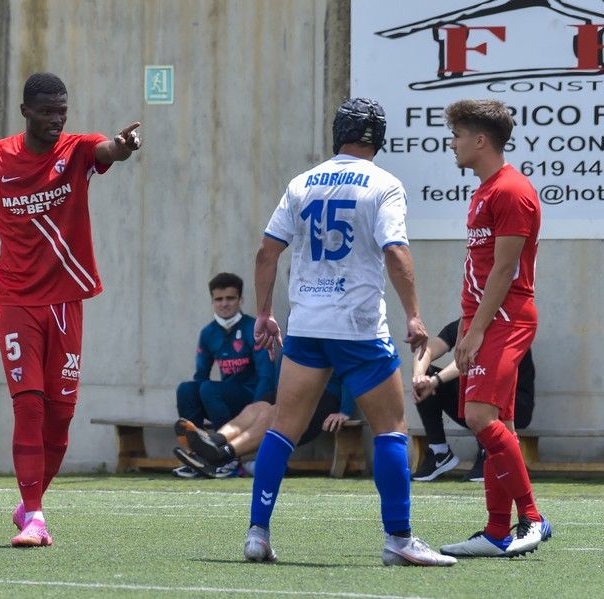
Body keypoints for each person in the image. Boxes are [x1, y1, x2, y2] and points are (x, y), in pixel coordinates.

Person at [241, 97, 456, 567]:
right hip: (358, 326)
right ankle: (398, 539)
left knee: (283, 428)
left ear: (337, 133)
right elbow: (396, 251)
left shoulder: (302, 183)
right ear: (378, 138)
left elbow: (265, 253)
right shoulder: (384, 184)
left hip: (307, 325)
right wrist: (414, 315)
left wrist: (263, 313)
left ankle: (257, 533)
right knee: (391, 430)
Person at [0, 72, 142, 548]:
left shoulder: (77, 150)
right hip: (15, 300)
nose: (58, 119)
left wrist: (123, 146)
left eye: (63, 110)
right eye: (48, 111)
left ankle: (28, 502)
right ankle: (35, 515)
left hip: (66, 300)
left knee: (61, 415)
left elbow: (106, 152)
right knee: (29, 404)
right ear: (26, 113)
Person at [438, 99, 551, 559]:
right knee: (497, 422)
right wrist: (468, 325)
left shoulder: (511, 191)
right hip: (487, 318)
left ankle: (534, 519)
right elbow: (480, 270)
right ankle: (497, 531)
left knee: (480, 418)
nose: (453, 143)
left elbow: (504, 272)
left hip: (505, 317)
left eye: (459, 135)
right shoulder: (484, 191)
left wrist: (477, 330)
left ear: (481, 140)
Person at [172, 273, 275, 477]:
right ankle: (198, 457)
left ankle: (227, 459)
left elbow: (267, 377)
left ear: (240, 300)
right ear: (212, 301)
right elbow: (200, 375)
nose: (224, 304)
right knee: (187, 389)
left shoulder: (253, 328)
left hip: (251, 399)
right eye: (219, 299)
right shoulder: (208, 333)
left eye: (230, 298)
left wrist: (256, 411)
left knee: (209, 389)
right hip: (222, 398)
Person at [411, 317, 535, 482]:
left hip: (515, 408)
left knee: (470, 374)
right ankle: (439, 452)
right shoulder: (463, 323)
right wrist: (419, 377)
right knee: (425, 378)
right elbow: (427, 350)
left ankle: (488, 451)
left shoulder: (506, 326)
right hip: (475, 406)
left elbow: (468, 362)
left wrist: (435, 381)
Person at [173, 374, 352, 478]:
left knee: (272, 412)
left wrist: (345, 410)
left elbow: (349, 371)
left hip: (324, 397)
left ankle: (223, 455)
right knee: (256, 408)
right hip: (291, 391)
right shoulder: (299, 330)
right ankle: (213, 442)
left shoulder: (334, 329)